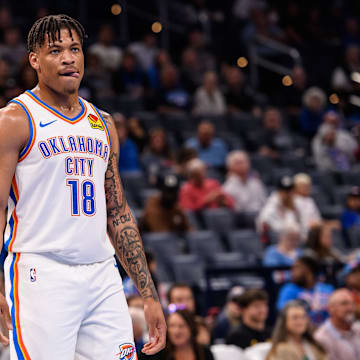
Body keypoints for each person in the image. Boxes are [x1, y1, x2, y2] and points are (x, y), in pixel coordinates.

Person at [0, 15, 166, 359]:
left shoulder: (103, 123)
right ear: (34, 60)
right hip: (41, 272)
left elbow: (118, 213)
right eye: (55, 50)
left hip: (102, 273)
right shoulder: (14, 120)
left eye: (75, 48)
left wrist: (148, 295)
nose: (68, 58)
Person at [277, 256, 334, 325]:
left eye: (297, 267)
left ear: (308, 270)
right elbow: (283, 312)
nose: (292, 271)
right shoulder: (289, 290)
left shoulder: (328, 289)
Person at [140, 309, 214, 360]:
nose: (176, 331)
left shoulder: (204, 352)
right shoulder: (157, 352)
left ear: (191, 328)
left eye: (182, 326)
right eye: (172, 326)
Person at [314, 289, 360, 360]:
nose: (350, 308)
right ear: (331, 308)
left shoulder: (358, 328)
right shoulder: (322, 338)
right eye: (344, 303)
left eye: (352, 303)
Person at [257, 176, 301, 243]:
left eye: (291, 191)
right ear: (279, 192)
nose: (290, 195)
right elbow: (275, 230)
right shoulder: (270, 208)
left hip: (290, 241)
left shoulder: (289, 205)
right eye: (286, 192)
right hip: (275, 243)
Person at [293, 173, 322, 238]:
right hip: (300, 234)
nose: (307, 188)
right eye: (304, 186)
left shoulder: (310, 201)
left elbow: (318, 218)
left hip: (314, 233)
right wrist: (309, 225)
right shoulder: (293, 201)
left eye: (308, 186)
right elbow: (295, 222)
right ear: (296, 187)